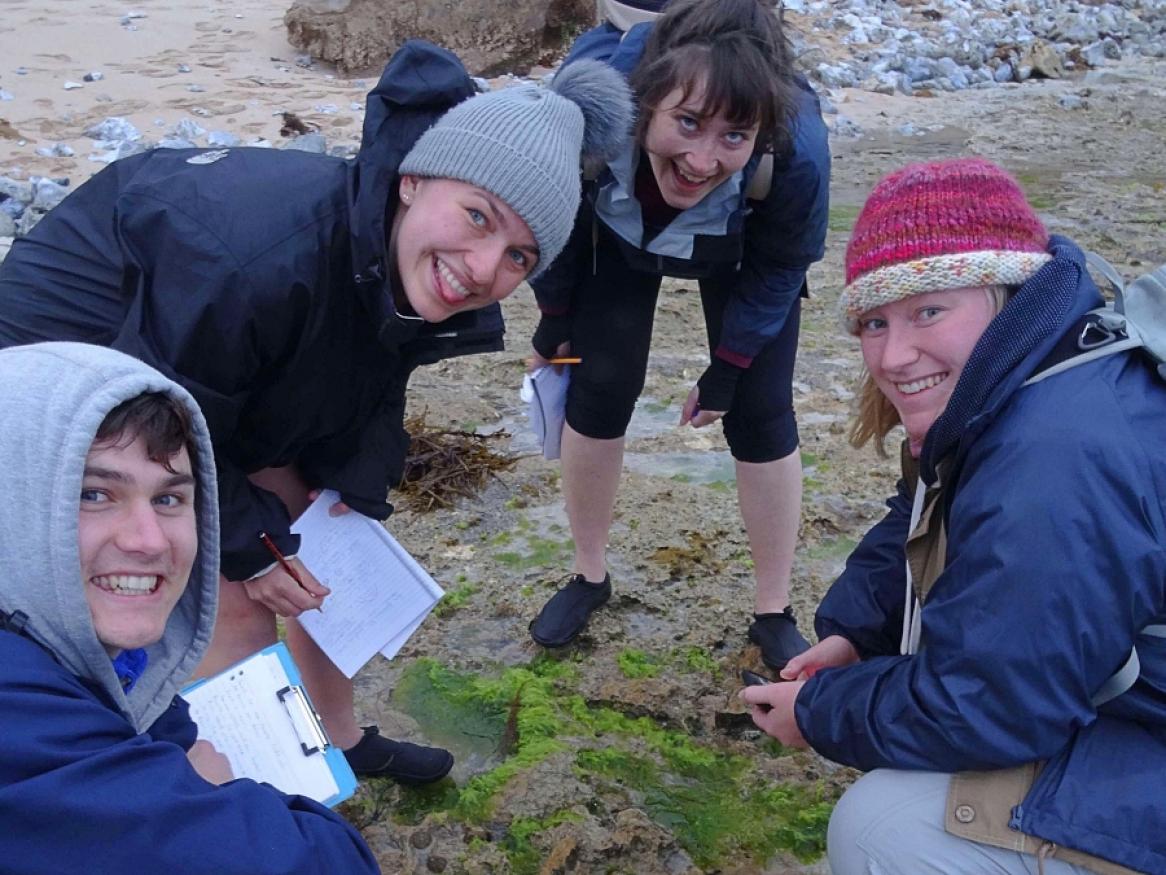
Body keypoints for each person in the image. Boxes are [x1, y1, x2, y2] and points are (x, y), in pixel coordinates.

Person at [0, 41, 633, 782]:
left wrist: (349, 495)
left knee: (321, 532)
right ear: (413, 181)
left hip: (203, 370)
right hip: (66, 369)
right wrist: (252, 548)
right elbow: (170, 427)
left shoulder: (388, 252)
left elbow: (365, 384)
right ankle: (267, 788)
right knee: (237, 589)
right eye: (478, 216)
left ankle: (338, 736)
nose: (486, 267)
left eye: (521, 256)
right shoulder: (257, 259)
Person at [741, 158, 1166, 875]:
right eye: (874, 321)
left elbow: (992, 706)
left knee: (879, 831)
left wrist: (818, 713)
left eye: (928, 310)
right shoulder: (1046, 363)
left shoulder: (1053, 456)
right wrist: (854, 630)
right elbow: (927, 501)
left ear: (1005, 288)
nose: (895, 355)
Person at [526, 0, 830, 670]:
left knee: (760, 411)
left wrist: (730, 362)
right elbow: (549, 212)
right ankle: (588, 574)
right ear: (646, 102)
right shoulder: (589, 104)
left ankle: (774, 609)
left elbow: (783, 263)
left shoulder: (795, 148)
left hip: (743, 246)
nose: (699, 160)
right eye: (687, 123)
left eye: (732, 136)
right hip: (618, 233)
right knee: (598, 388)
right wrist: (555, 316)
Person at [0, 341, 381, 874]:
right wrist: (213, 788)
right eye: (93, 494)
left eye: (169, 499)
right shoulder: (21, 725)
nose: (150, 541)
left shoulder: (75, 652)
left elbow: (165, 728)